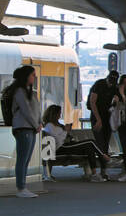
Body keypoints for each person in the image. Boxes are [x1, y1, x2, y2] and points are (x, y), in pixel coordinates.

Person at [40, 105, 110, 181]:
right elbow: (58, 140)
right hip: (61, 147)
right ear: (53, 114)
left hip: (66, 145)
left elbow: (63, 136)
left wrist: (66, 131)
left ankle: (94, 174)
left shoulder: (57, 125)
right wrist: (66, 131)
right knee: (90, 142)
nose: (60, 116)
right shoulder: (49, 126)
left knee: (89, 148)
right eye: (59, 114)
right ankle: (103, 155)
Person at [3, 66, 40, 198]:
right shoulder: (19, 92)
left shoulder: (30, 92)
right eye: (32, 75)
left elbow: (35, 110)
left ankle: (23, 187)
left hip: (30, 128)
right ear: (26, 76)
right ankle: (21, 187)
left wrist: (39, 123)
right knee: (22, 159)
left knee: (26, 158)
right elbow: (26, 111)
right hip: (23, 128)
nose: (34, 77)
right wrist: (36, 124)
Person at [87, 69, 119, 174]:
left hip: (107, 118)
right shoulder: (99, 84)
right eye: (110, 81)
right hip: (97, 117)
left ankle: (103, 171)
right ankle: (99, 170)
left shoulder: (114, 87)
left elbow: (115, 103)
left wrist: (115, 102)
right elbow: (92, 102)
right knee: (100, 143)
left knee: (105, 144)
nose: (111, 84)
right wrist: (98, 119)